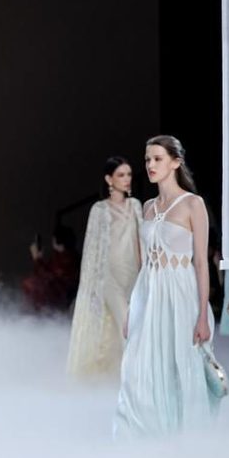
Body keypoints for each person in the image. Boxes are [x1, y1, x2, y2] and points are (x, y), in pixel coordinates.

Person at [115, 135, 217, 437]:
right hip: (150, 294)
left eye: (158, 159)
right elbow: (144, 265)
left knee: (181, 364)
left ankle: (184, 438)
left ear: (176, 162)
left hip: (181, 295)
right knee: (138, 365)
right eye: (148, 159)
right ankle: (142, 434)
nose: (150, 164)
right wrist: (132, 308)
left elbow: (201, 263)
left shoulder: (193, 204)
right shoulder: (147, 207)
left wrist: (202, 315)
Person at [65, 156, 143, 378]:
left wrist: (145, 273)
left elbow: (140, 242)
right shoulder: (99, 209)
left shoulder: (136, 205)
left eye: (129, 174)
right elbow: (93, 250)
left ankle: (115, 377)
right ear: (109, 179)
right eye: (121, 175)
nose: (127, 179)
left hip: (133, 275)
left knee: (130, 325)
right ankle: (133, 379)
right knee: (126, 324)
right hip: (109, 277)